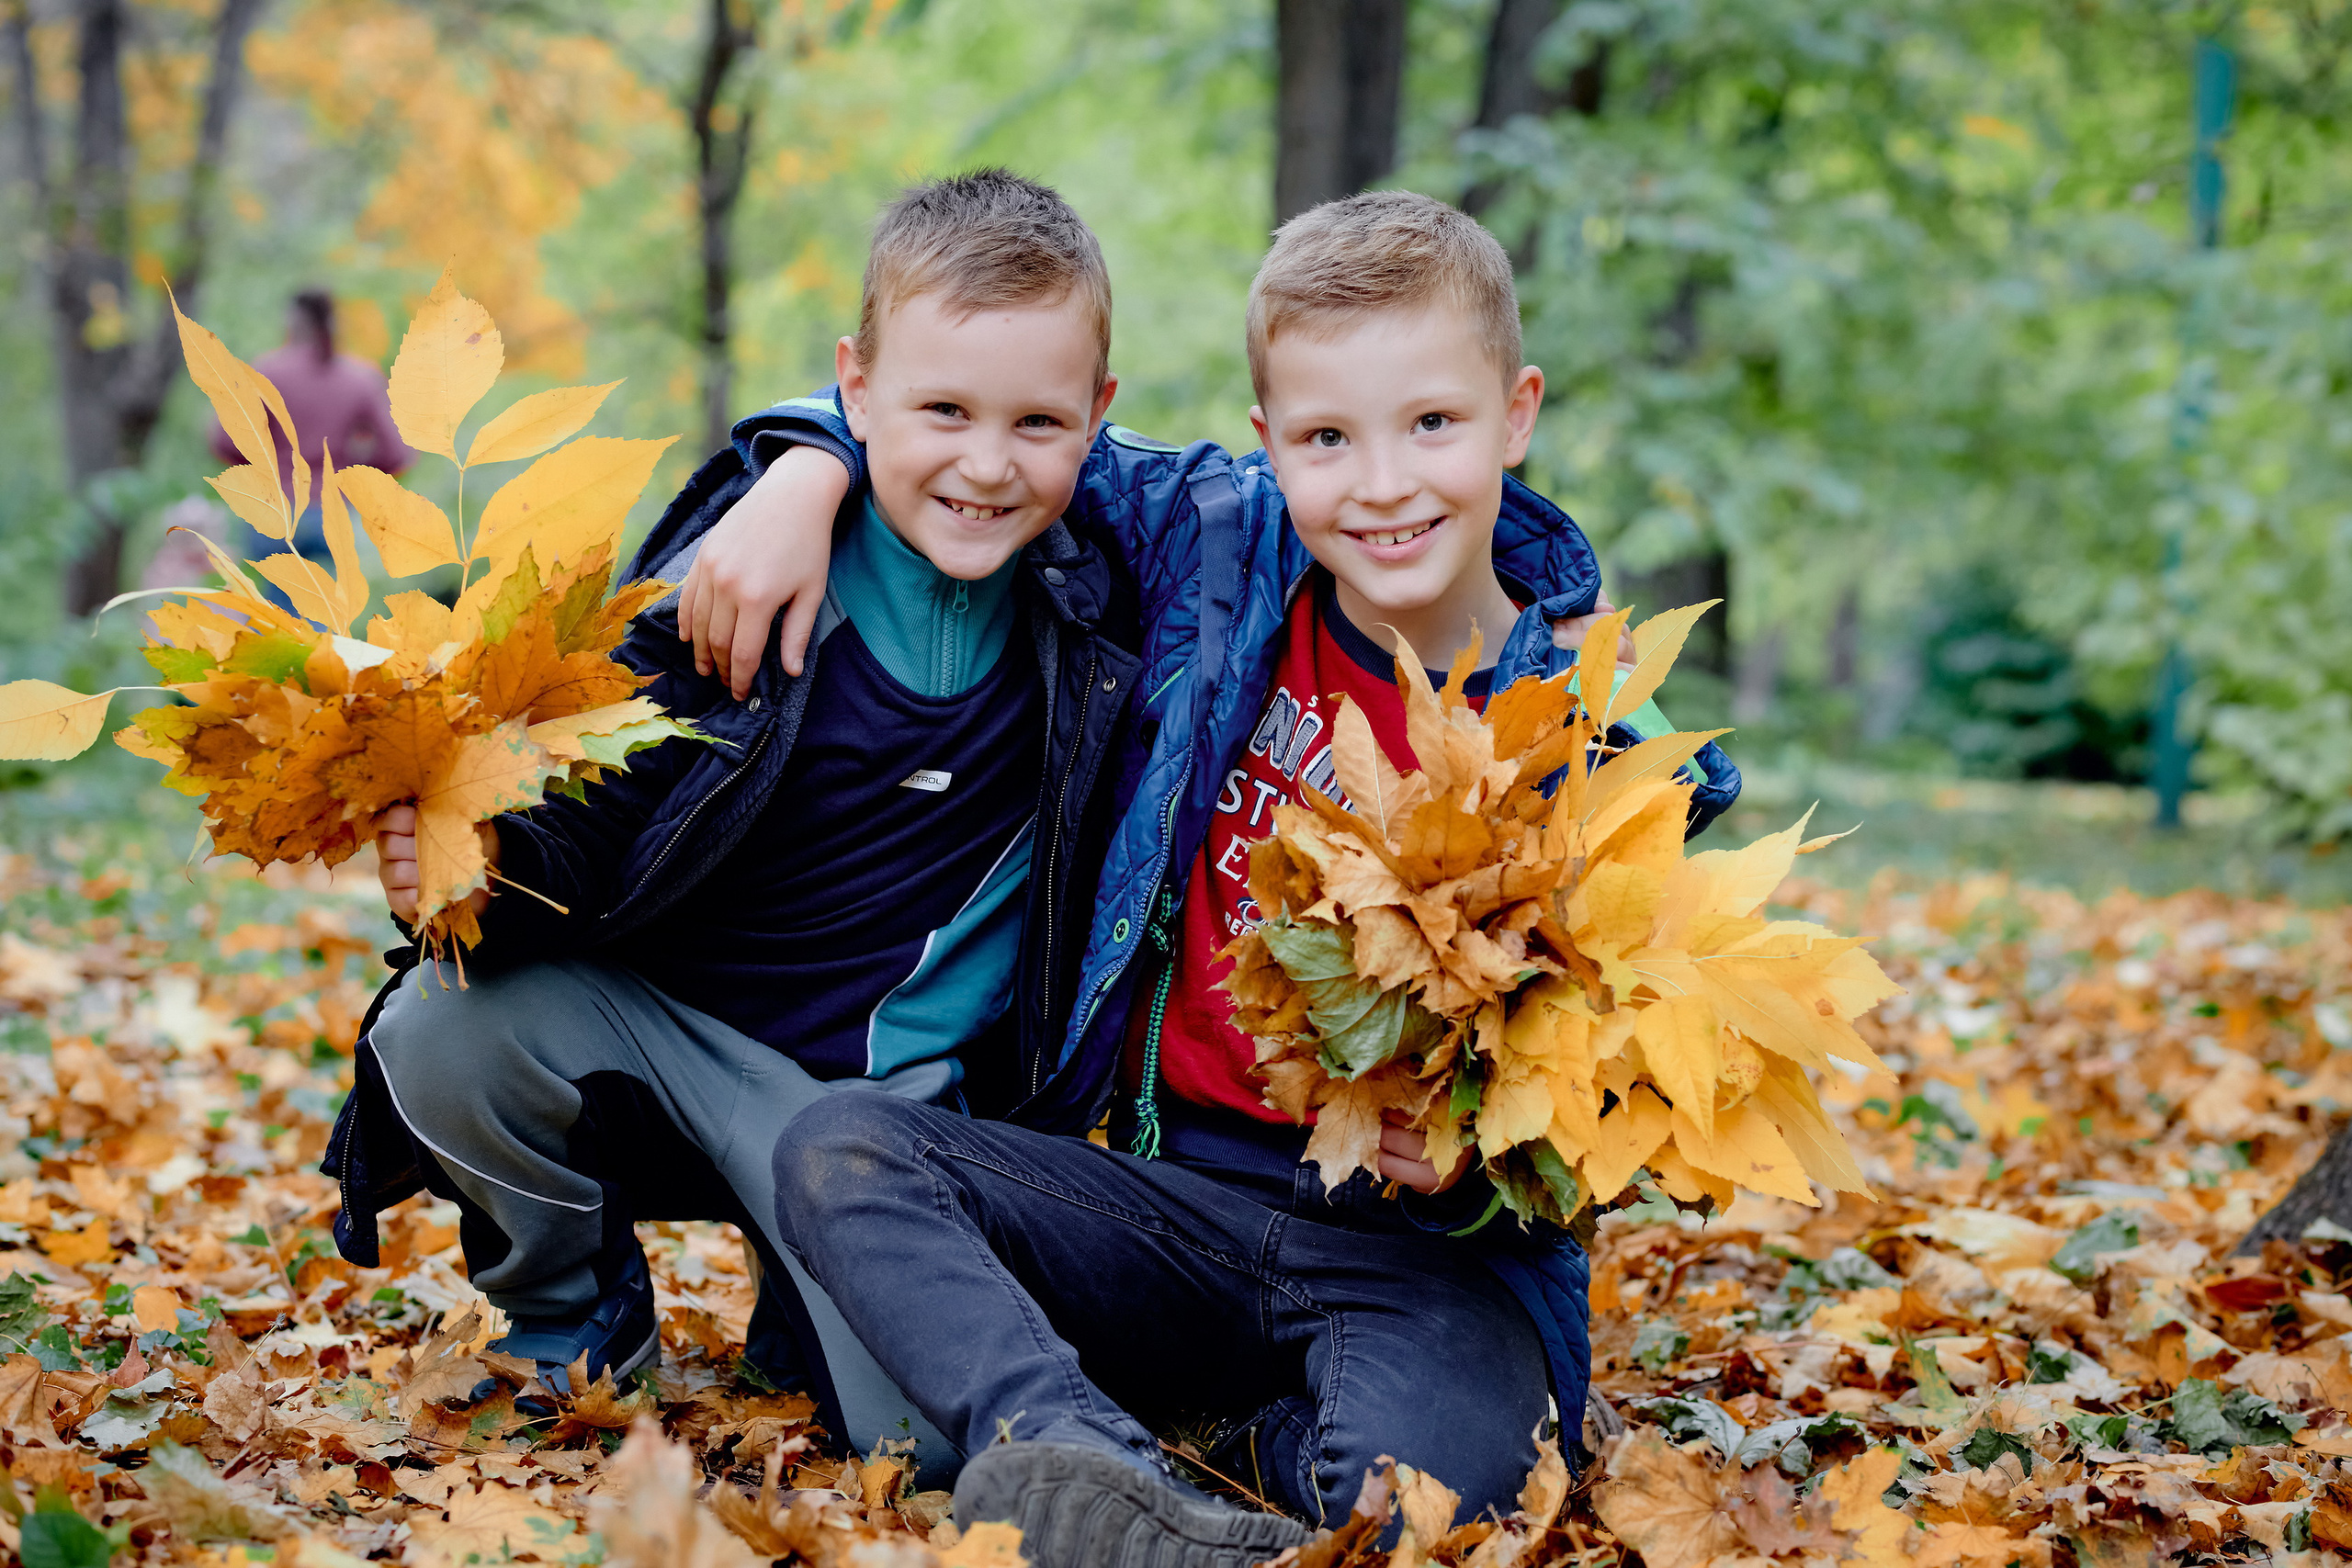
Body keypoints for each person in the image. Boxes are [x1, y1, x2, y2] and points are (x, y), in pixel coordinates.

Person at [687, 190, 1739, 1568]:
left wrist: (1489, 1162)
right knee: (844, 1148)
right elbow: (987, 428)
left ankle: (1232, 1457)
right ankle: (1076, 1453)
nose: (1382, 483)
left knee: (1420, 1496)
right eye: (1326, 438)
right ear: (1268, 441)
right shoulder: (1219, 557)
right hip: (1170, 1200)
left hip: (1420, 1258)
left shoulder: (1595, 736)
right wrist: (803, 470)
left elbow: (1643, 1094)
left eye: (1432, 423)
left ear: (1517, 413)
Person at [320, 174, 1148, 1477]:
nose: (988, 463)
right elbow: (603, 793)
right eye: (943, 411)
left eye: (1036, 422)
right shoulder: (744, 573)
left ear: (1097, 414)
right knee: (443, 1024)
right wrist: (483, 859)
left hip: (882, 1120)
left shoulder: (1106, 598)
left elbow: (1314, 488)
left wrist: (807, 455)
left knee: (925, 1447)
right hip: (670, 1042)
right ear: (856, 386)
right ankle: (569, 1317)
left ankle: (801, 1291)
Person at [209, 288, 413, 565]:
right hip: (331, 514)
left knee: (276, 588)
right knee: (331, 589)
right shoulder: (361, 378)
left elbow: (224, 442)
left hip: (275, 508)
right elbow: (396, 455)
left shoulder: (266, 372)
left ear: (292, 322)